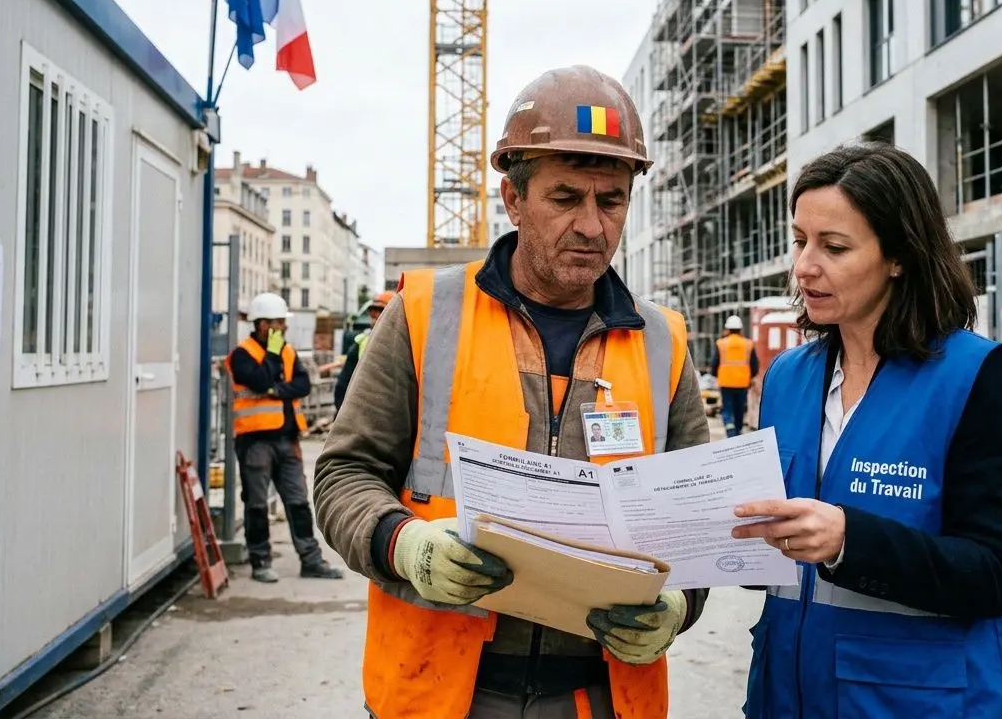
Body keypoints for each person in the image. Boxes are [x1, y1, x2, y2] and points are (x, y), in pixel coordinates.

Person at [314, 65, 713, 719]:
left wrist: (681, 604)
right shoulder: (424, 316)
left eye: (611, 200)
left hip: (599, 698)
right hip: (442, 691)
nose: (592, 225)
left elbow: (696, 523)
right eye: (565, 198)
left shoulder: (663, 343)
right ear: (512, 196)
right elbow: (344, 474)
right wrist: (403, 545)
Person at [731, 140, 1002, 718]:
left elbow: (996, 575)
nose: (804, 267)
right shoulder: (787, 379)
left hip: (911, 700)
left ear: (899, 256)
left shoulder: (975, 377)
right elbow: (778, 568)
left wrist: (850, 541)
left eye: (834, 247)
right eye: (800, 241)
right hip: (788, 696)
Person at [225, 292, 344, 583]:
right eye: (279, 322)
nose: (284, 327)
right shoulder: (242, 355)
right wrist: (274, 364)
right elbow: (262, 380)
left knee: (298, 501)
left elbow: (302, 384)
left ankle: (311, 560)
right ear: (263, 324)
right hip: (255, 441)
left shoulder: (287, 352)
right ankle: (260, 561)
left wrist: (278, 390)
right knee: (256, 504)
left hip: (287, 439)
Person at [335, 290, 394, 411]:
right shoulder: (361, 342)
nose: (374, 315)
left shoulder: (401, 345)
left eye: (380, 311)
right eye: (372, 311)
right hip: (360, 411)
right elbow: (343, 383)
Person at [710, 314, 758, 436]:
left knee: (727, 408)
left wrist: (716, 375)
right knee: (739, 409)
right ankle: (737, 430)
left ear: (728, 329)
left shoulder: (721, 343)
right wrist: (750, 377)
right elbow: (754, 365)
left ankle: (730, 429)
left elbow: (714, 363)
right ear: (741, 329)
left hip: (725, 382)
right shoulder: (748, 344)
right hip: (742, 382)